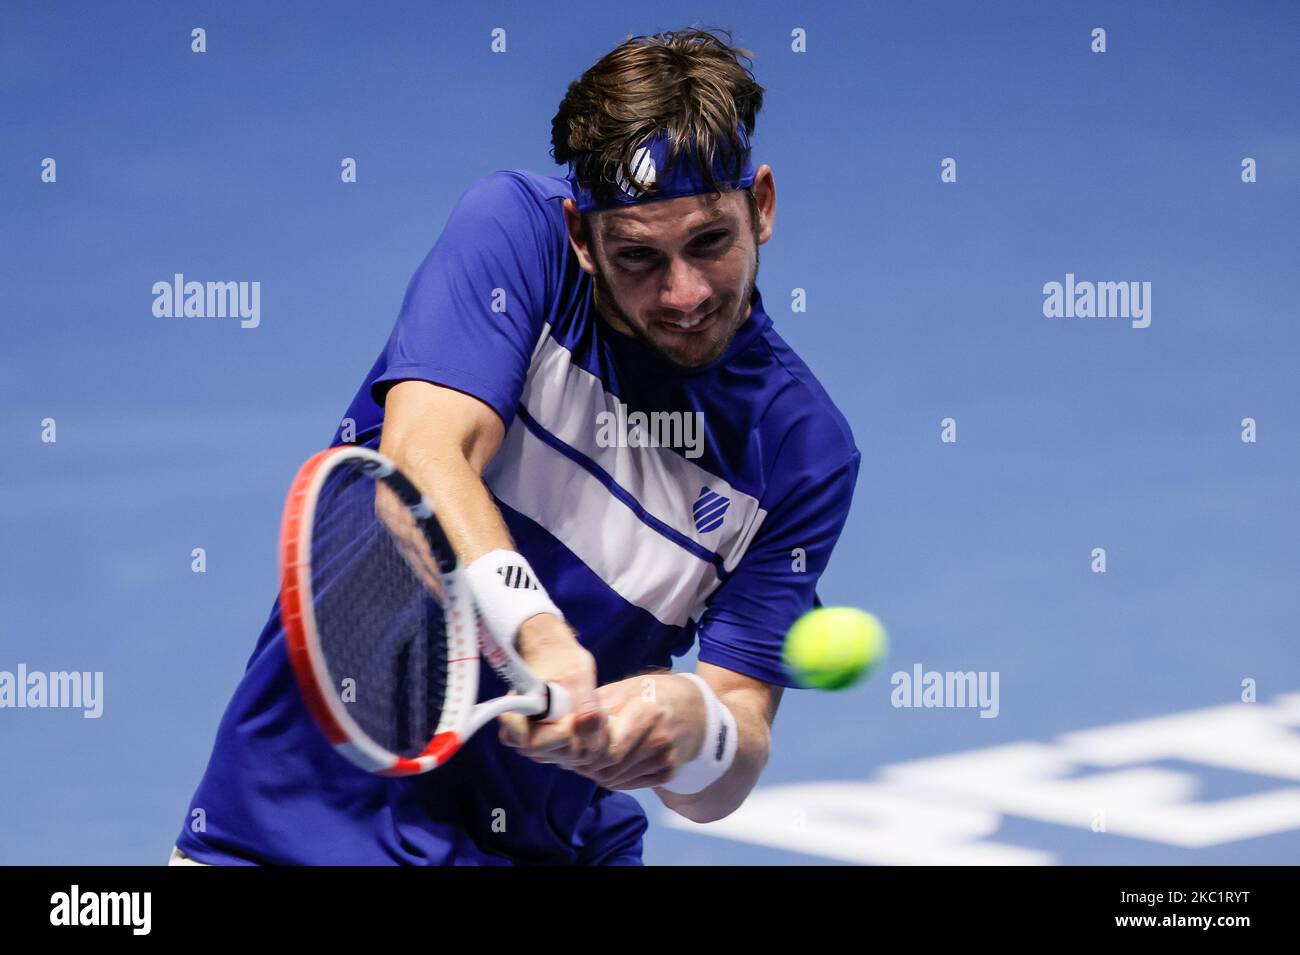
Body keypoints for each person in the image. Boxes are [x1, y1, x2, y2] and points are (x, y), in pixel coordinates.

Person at [172, 26, 859, 866]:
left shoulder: (801, 449)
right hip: (296, 824)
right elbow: (427, 452)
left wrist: (694, 727)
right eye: (638, 257)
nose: (683, 293)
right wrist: (538, 632)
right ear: (580, 236)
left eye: (710, 242)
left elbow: (728, 763)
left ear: (762, 205)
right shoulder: (514, 237)